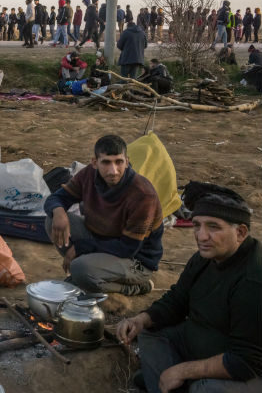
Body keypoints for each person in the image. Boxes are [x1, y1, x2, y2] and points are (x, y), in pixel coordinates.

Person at [116, 184, 261, 393]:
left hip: (245, 368)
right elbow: (177, 300)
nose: (201, 236)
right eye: (197, 225)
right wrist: (140, 320)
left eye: (213, 227)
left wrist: (183, 371)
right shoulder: (205, 257)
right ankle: (163, 385)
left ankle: (169, 382)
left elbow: (245, 361)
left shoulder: (253, 280)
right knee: (149, 331)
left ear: (240, 232)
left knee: (204, 389)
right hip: (200, 342)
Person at [44, 135, 163, 296]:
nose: (113, 171)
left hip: (135, 260)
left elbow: (127, 248)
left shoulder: (142, 194)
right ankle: (88, 272)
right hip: (102, 241)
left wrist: (80, 247)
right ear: (94, 162)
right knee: (52, 219)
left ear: (127, 161)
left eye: (119, 162)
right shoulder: (88, 175)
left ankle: (133, 287)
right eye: (106, 162)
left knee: (79, 268)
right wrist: (59, 211)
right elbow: (56, 198)